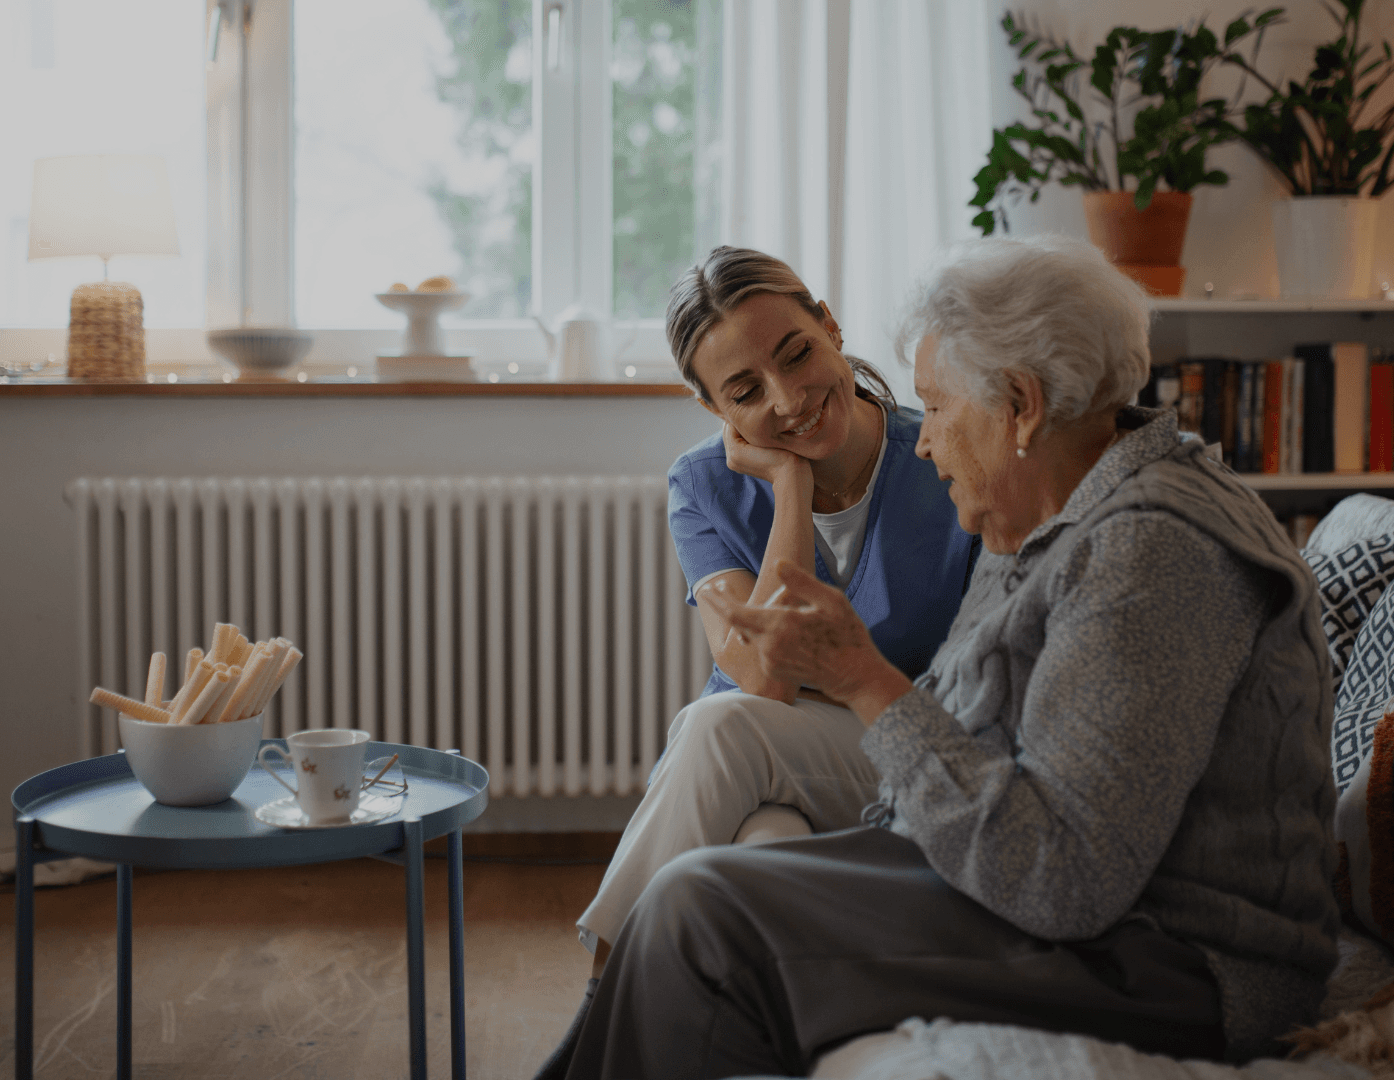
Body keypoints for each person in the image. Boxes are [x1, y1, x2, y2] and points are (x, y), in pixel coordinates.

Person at [553, 235, 1342, 1079]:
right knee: (707, 887)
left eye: (935, 406)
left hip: (1171, 960)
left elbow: (1064, 880)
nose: (921, 444)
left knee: (701, 908)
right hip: (1074, 904)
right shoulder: (1048, 502)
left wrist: (861, 678)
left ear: (1021, 406)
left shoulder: (1149, 555)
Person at [536, 247, 980, 1077]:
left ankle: (593, 1027)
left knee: (723, 724)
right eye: (745, 393)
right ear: (712, 408)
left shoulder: (944, 453)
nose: (789, 400)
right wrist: (789, 486)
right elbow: (763, 672)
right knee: (755, 844)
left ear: (831, 327)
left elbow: (765, 678)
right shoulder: (702, 484)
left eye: (798, 355)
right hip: (764, 770)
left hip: (901, 760)